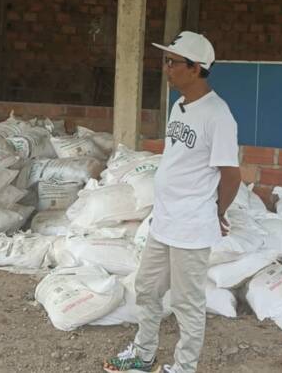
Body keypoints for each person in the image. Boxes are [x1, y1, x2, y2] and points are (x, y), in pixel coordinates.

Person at [103, 31, 241, 373]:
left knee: (187, 302)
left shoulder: (218, 115)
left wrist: (217, 212)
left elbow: (231, 175)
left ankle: (183, 368)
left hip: (192, 226)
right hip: (164, 220)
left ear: (195, 68)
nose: (166, 68)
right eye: (166, 61)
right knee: (147, 289)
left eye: (172, 62)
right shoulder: (179, 106)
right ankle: (144, 354)